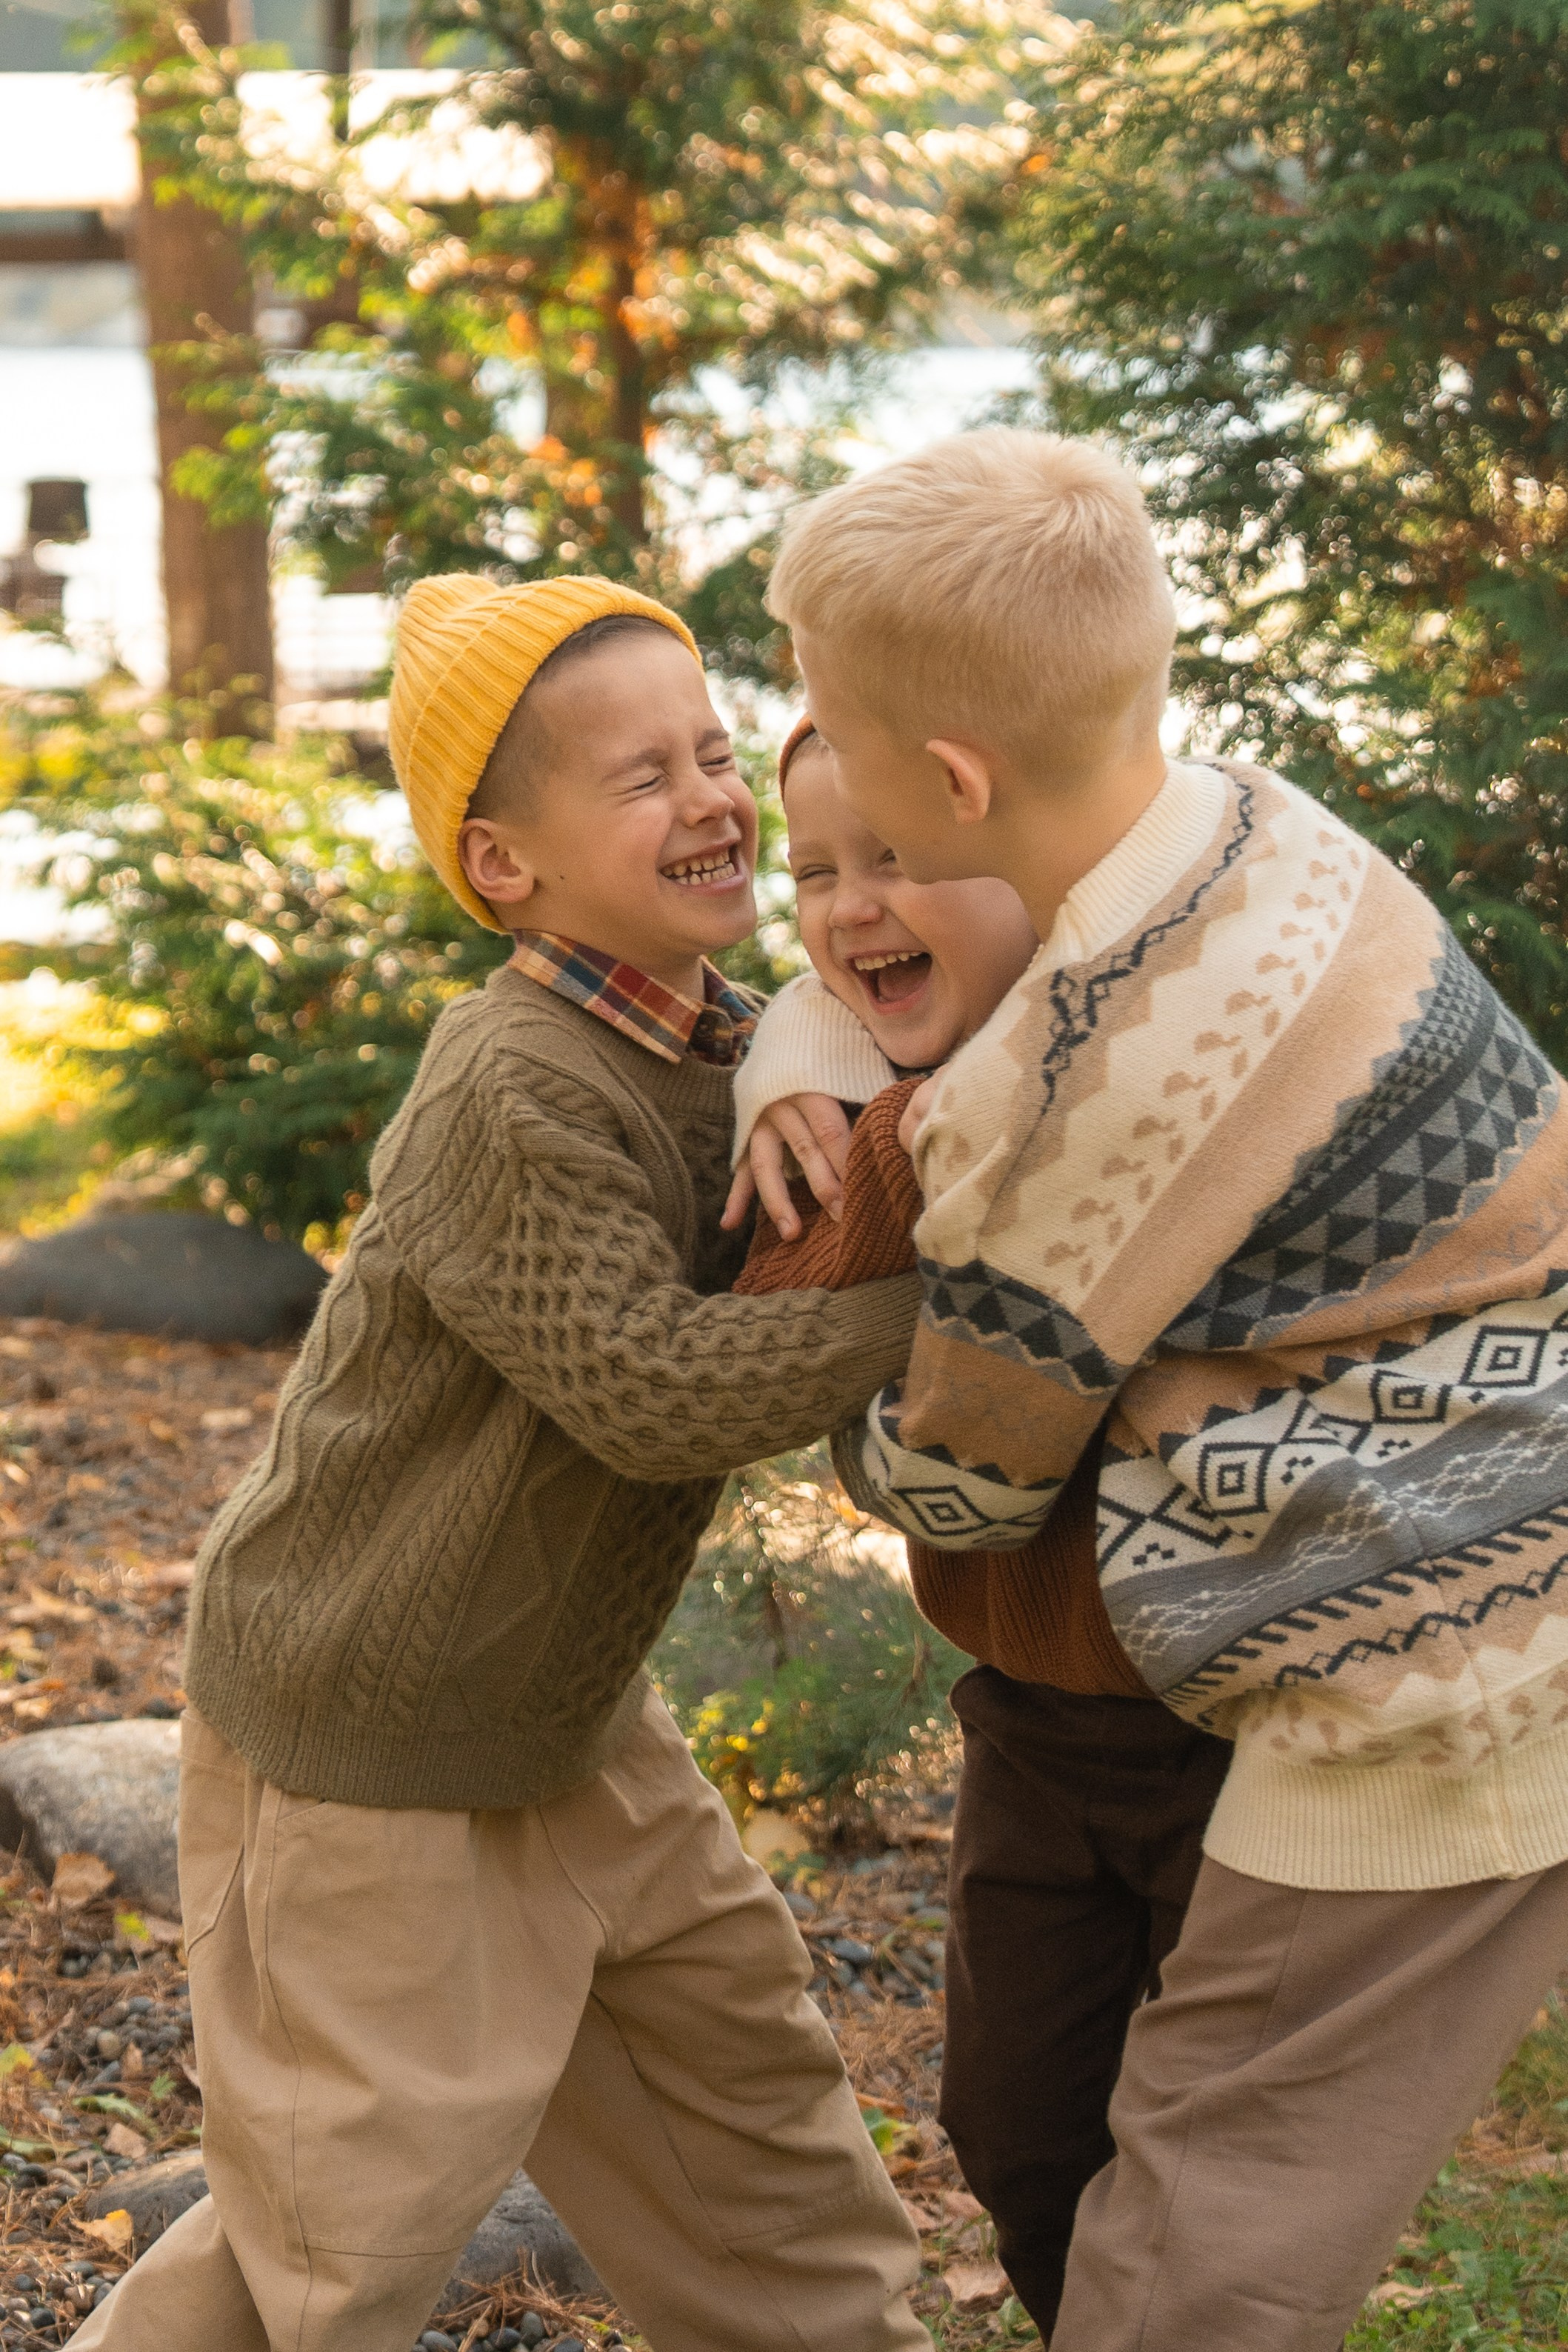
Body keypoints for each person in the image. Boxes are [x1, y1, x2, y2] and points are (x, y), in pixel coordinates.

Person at [764, 426, 1568, 2352]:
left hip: (1436, 1668)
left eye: (823, 728)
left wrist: (842, 1402)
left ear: (947, 781)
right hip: (1474, 1539)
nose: (804, 756)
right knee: (1166, 2196)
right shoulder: (1243, 834)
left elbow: (958, 1482)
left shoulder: (1090, 1089)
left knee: (1208, 2232)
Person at [68, 576, 930, 2352]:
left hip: (567, 1712)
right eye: (640, 778)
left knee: (751, 2129)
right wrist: (943, 1313)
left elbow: (824, 1008)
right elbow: (648, 1385)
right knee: (332, 2237)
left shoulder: (711, 1023)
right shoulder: (509, 1090)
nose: (711, 798)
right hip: (369, 1736)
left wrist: (802, 1060)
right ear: (505, 863)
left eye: (713, 750)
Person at [726, 717, 1232, 2332]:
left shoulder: (1150, 1037)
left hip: (1243, 1720)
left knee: (1214, 2152)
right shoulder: (885, 1091)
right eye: (814, 871)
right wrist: (793, 1072)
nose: (852, 903)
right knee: (1017, 2126)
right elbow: (776, 1283)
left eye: (898, 857)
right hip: (1029, 1722)